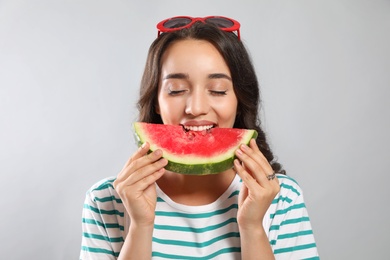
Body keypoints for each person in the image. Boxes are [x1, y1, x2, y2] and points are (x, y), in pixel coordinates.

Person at [80, 16, 319, 259]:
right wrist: (139, 227)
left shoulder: (281, 197)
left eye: (218, 90)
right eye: (176, 90)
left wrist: (253, 228)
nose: (195, 108)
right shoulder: (107, 200)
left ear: (239, 101)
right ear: (156, 102)